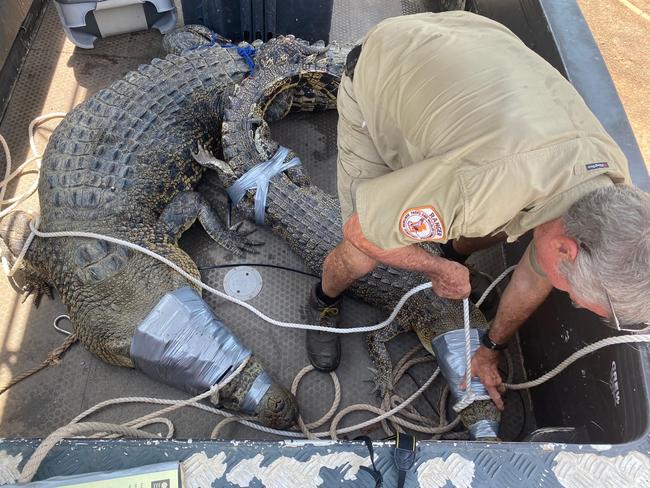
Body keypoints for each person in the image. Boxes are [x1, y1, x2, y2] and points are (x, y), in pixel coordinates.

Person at [305, 11, 650, 410]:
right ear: (566, 250)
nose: (569, 298)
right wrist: (438, 269)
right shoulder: (478, 191)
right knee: (361, 255)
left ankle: (451, 247)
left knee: (496, 218)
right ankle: (321, 300)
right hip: (386, 65)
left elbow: (540, 266)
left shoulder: (610, 179)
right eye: (573, 295)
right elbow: (358, 230)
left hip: (474, 40)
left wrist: (490, 348)